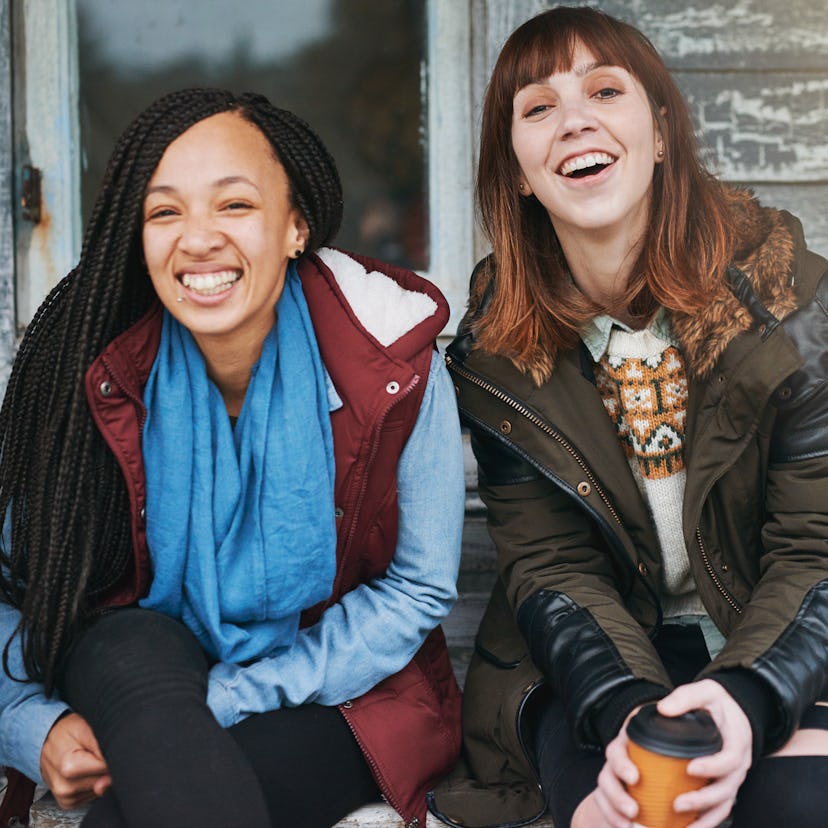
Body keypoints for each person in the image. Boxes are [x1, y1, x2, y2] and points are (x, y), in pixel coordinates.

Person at [0, 88, 465, 828]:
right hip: (141, 671)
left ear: (295, 225)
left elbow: (416, 590)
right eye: (164, 212)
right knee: (133, 643)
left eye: (235, 206)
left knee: (131, 810)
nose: (198, 239)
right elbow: (15, 583)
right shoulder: (94, 368)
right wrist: (32, 724)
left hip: (341, 691)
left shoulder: (389, 360)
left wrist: (222, 699)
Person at [428, 7, 828, 828]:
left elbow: (816, 547)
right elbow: (552, 566)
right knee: (638, 813)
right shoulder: (498, 349)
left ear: (660, 133)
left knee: (791, 804)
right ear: (516, 171)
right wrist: (628, 717)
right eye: (537, 107)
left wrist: (751, 698)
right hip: (594, 663)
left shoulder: (795, 307)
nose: (573, 118)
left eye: (605, 91)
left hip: (777, 632)